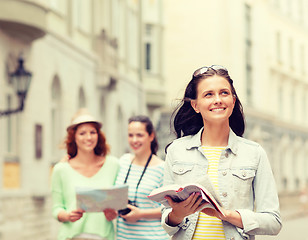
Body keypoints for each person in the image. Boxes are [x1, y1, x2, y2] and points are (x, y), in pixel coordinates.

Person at [161, 65, 282, 240]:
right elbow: (167, 222)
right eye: (208, 94)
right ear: (195, 105)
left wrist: (226, 215)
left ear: (233, 101)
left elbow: (273, 221)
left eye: (224, 93)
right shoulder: (176, 151)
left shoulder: (254, 153)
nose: (217, 99)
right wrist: (177, 215)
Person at [51, 109, 119, 240]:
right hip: (71, 236)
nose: (88, 137)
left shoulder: (113, 165)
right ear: (73, 137)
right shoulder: (61, 170)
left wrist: (113, 213)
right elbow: (56, 208)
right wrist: (67, 215)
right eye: (82, 133)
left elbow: (120, 202)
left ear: (98, 135)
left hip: (105, 236)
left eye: (92, 132)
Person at [115, 115, 170, 240]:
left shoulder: (163, 168)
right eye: (130, 135)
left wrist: (141, 214)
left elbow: (170, 208)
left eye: (139, 135)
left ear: (151, 136)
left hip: (152, 237)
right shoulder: (123, 162)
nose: (134, 140)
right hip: (123, 237)